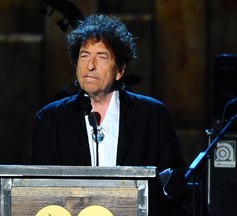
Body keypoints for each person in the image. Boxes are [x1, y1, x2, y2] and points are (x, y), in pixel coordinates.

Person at [31, 14, 188, 215]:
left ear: (120, 70)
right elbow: (38, 188)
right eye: (84, 55)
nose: (90, 66)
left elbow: (176, 182)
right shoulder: (51, 119)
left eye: (102, 56)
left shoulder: (152, 115)